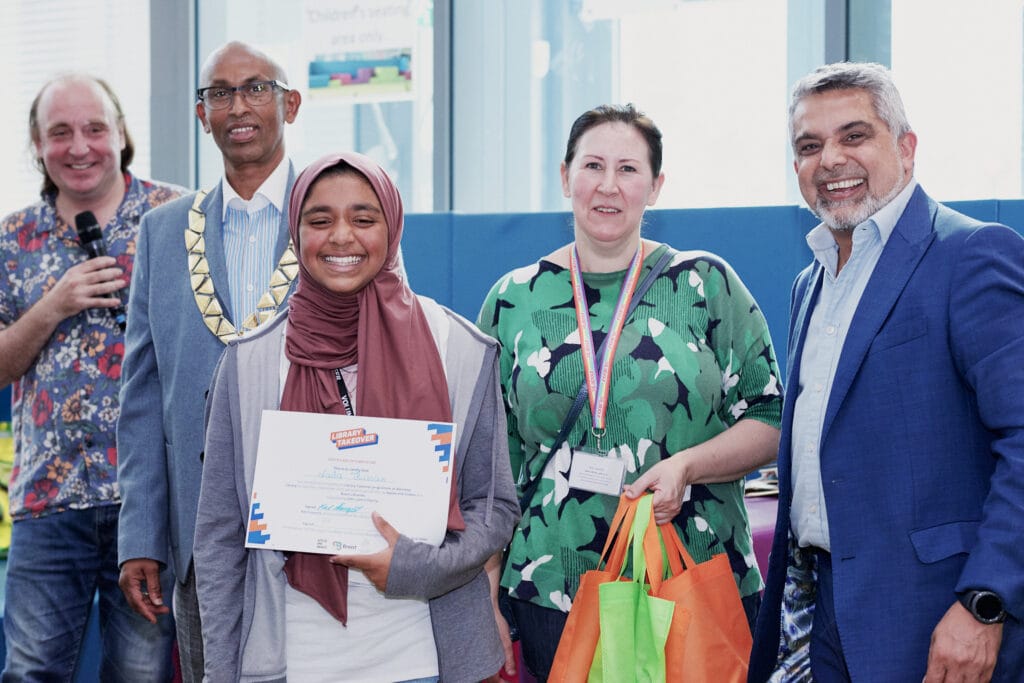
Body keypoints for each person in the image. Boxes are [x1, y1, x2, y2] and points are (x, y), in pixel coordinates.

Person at [477, 103, 783, 680]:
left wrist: (687, 467)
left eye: (628, 169)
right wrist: (488, 593)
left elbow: (772, 417)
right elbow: (491, 465)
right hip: (553, 590)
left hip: (692, 577)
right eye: (592, 165)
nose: (608, 186)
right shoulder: (514, 300)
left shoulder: (704, 284)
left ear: (656, 185)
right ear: (565, 176)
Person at [193, 151, 520, 682]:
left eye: (364, 219)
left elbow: (494, 504)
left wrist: (417, 567)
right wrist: (220, 669)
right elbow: (218, 533)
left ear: (391, 228)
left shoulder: (458, 347)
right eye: (320, 220)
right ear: (295, 234)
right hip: (289, 661)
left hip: (423, 659)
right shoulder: (250, 360)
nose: (342, 236)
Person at [748, 62, 1024, 682]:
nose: (830, 160)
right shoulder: (809, 283)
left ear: (905, 147)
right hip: (821, 612)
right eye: (809, 146)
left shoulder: (972, 255)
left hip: (937, 617)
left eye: (854, 136)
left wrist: (985, 603)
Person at [116, 41, 301, 681]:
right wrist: (140, 536)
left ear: (290, 104)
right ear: (202, 115)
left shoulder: (341, 213)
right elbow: (142, 400)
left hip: (313, 529)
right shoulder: (163, 233)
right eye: (218, 93)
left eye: (255, 88)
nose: (238, 106)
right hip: (200, 539)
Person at [0, 73, 183, 681]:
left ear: (121, 133)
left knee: (142, 675)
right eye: (60, 132)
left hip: (151, 505)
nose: (79, 147)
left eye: (94, 129)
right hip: (49, 502)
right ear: (36, 144)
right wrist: (53, 305)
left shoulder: (179, 219)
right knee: (29, 672)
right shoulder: (10, 240)